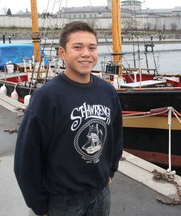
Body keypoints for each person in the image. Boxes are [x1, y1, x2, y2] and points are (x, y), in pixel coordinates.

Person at [14, 21, 123, 216]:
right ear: (62, 53)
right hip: (62, 199)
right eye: (77, 47)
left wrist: (110, 171)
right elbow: (26, 156)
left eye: (92, 48)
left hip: (100, 192)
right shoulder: (47, 97)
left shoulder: (108, 92)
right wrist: (38, 205)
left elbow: (116, 136)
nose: (86, 54)